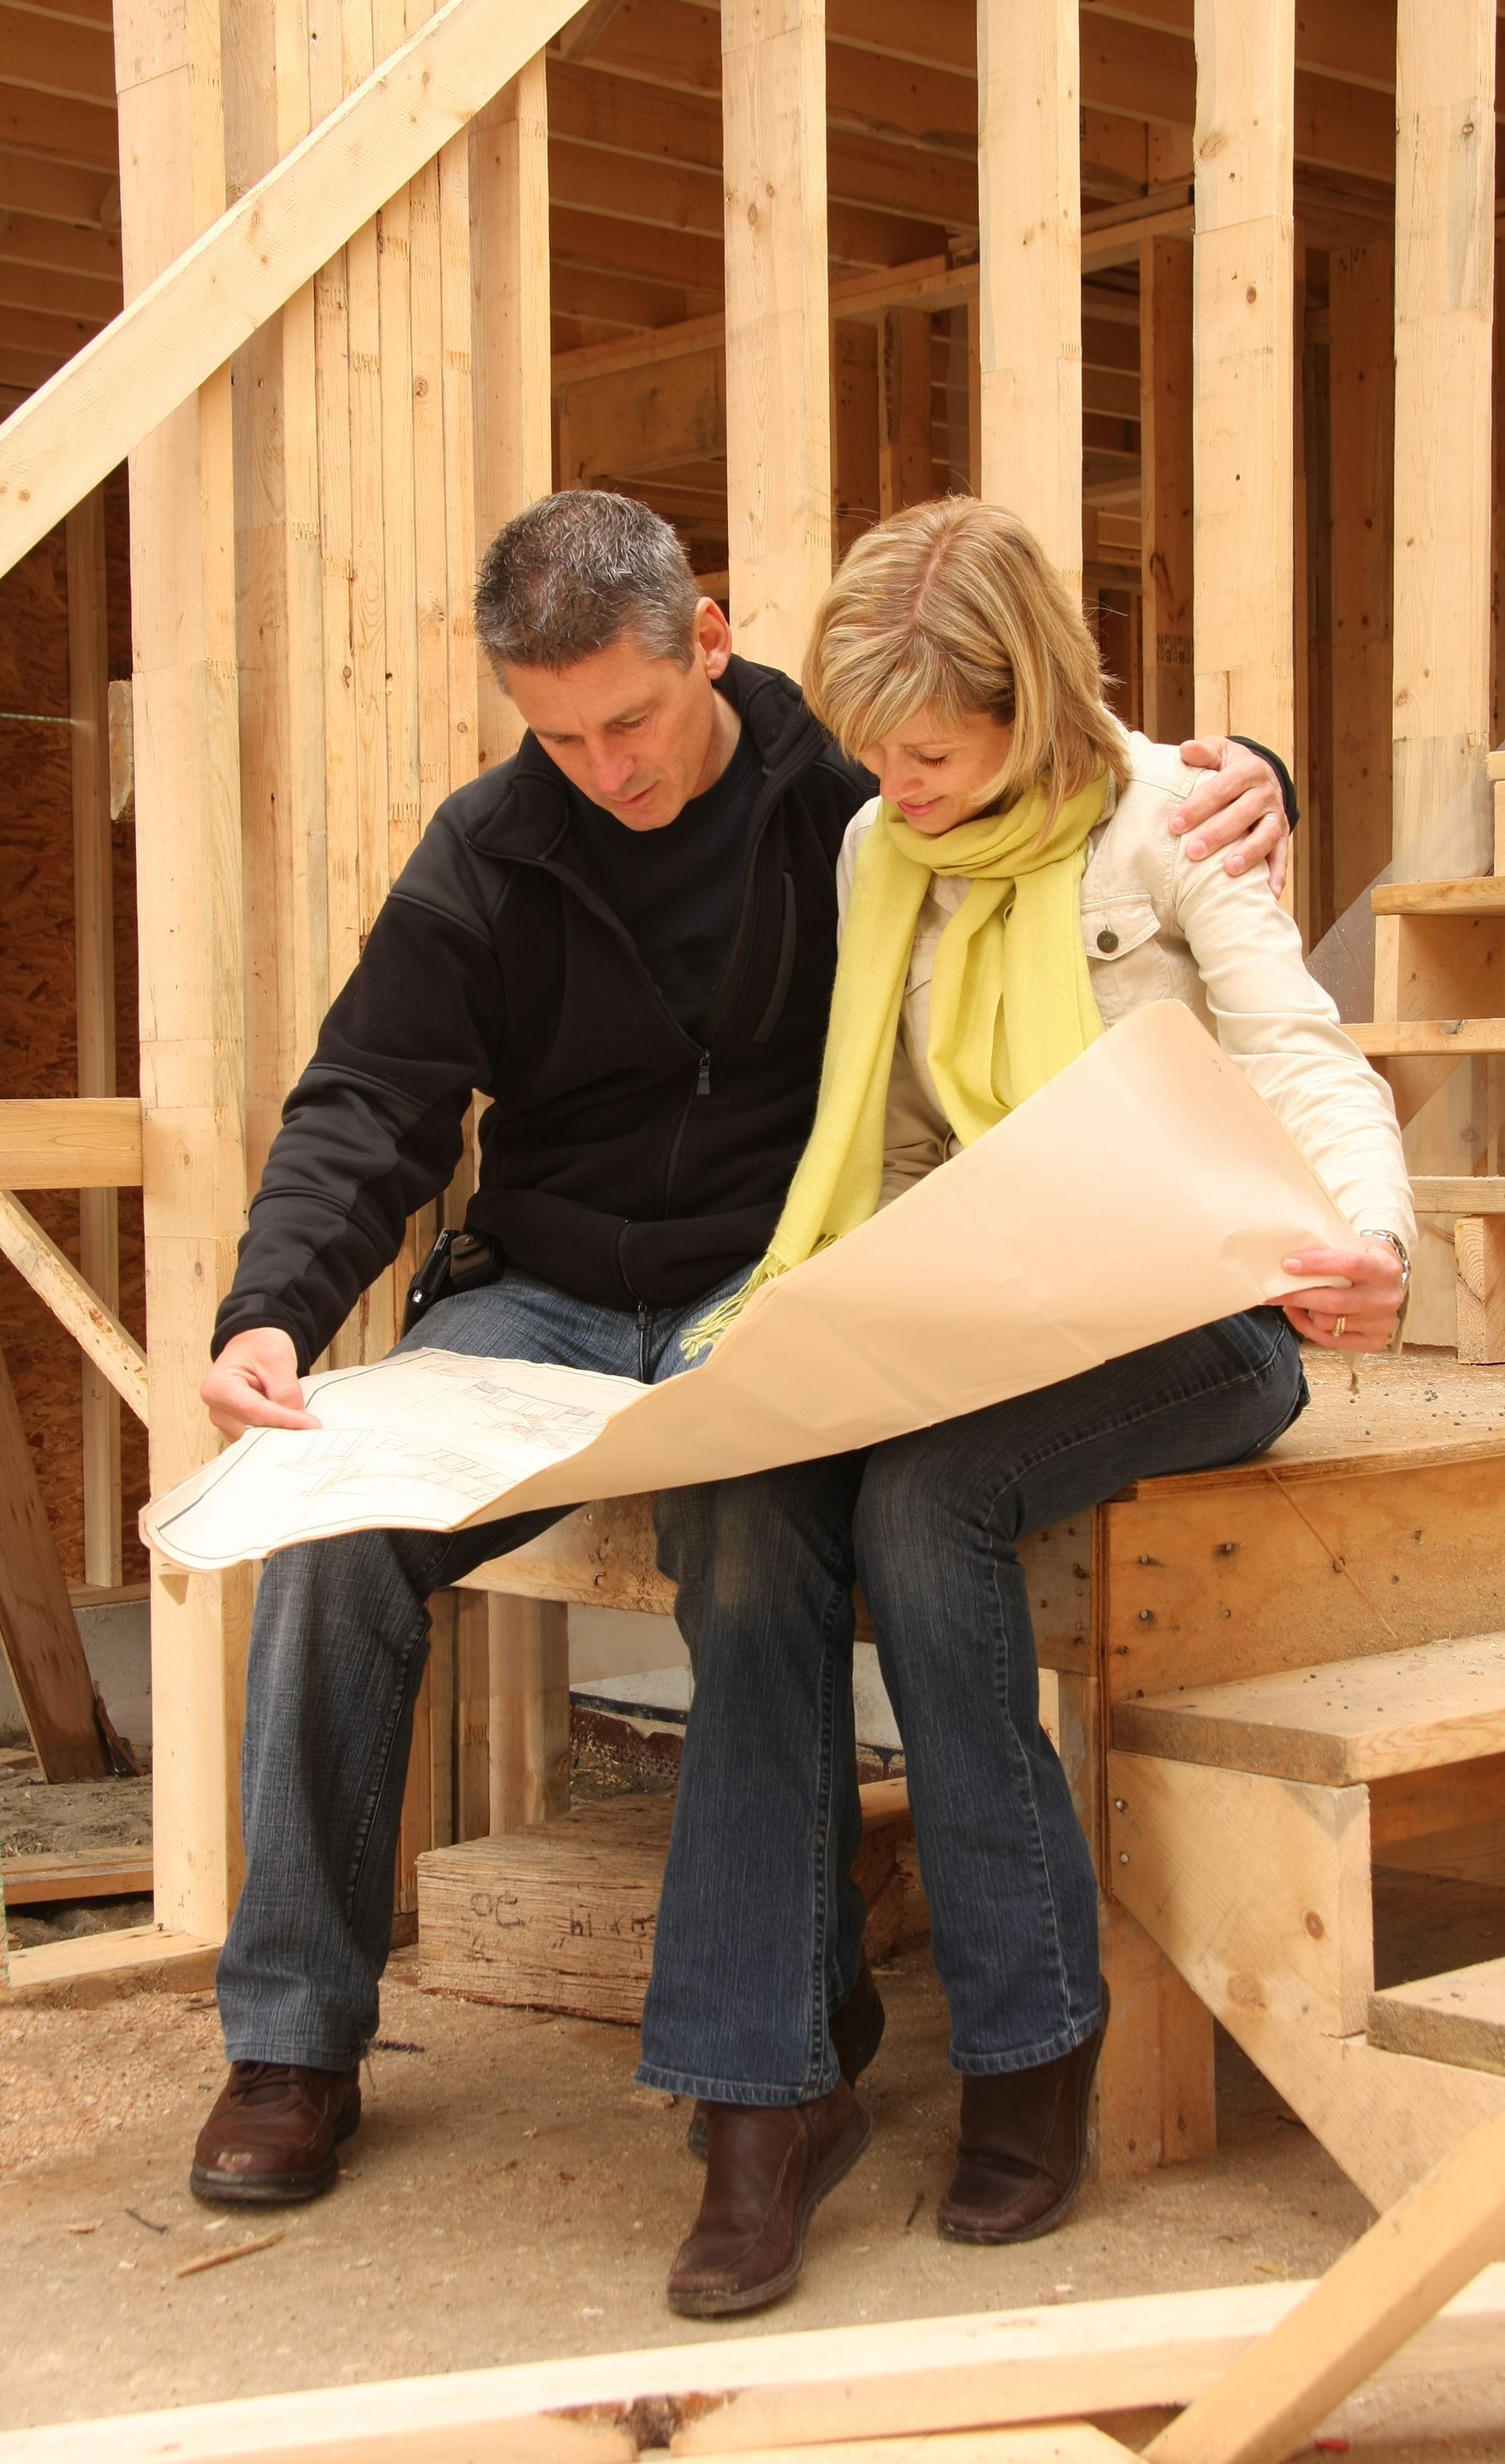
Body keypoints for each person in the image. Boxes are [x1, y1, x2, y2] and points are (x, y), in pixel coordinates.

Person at [187, 489, 1295, 2208]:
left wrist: (1265, 776)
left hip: (776, 1290)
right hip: (536, 1299)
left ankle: (772, 2066)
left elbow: (1053, 779)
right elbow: (373, 1100)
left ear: (708, 636)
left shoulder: (848, 790)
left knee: (756, 1542)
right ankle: (287, 2043)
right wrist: (271, 1305)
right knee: (327, 1538)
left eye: (629, 718)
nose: (604, 768)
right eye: (557, 736)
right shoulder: (491, 849)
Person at [637, 495, 1415, 2319]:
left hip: (1194, 1313)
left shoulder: (1174, 823)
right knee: (753, 1498)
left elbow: (1296, 1048)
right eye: (873, 750)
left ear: (1035, 702)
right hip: (984, 1309)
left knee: (925, 1509)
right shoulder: (872, 853)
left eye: (933, 750)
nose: (898, 784)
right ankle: (770, 2088)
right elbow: (900, 1134)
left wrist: (1370, 1238)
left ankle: (1031, 2037)